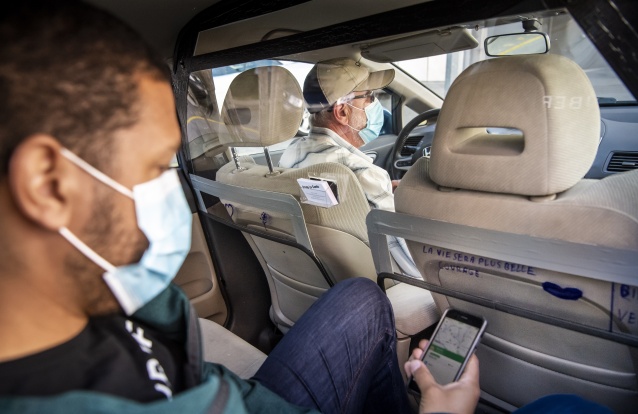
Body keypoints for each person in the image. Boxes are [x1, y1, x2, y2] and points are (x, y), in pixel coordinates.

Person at [0, 1, 461, 413]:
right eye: (155, 166)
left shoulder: (106, 291)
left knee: (361, 298)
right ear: (48, 185)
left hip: (232, 390)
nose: (165, 189)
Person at [279, 58, 419, 276]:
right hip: (383, 284)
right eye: (369, 97)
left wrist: (381, 191)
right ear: (342, 112)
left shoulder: (290, 155)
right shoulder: (359, 173)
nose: (374, 105)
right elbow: (415, 264)